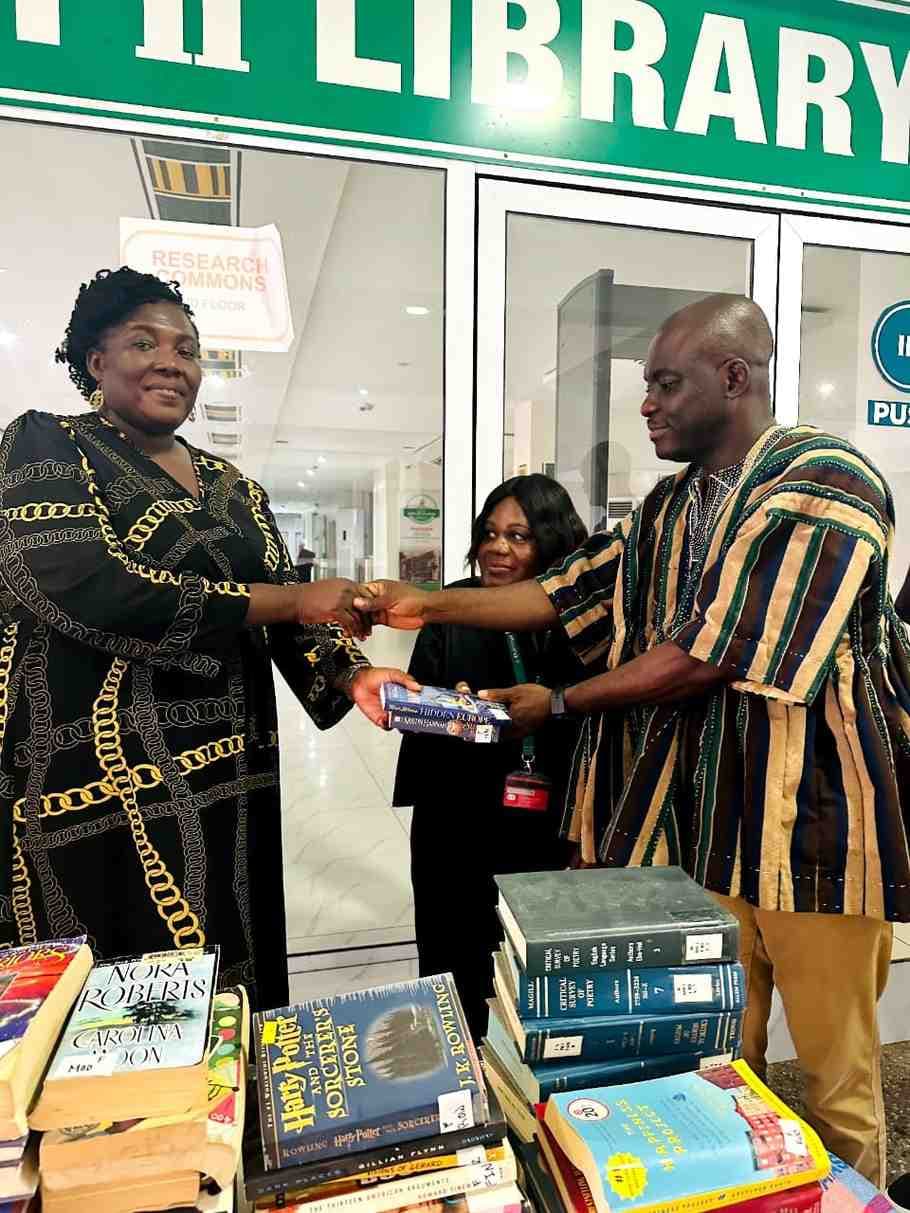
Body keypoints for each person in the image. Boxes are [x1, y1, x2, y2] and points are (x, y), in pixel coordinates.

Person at [359, 295, 910, 1187]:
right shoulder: (666, 507)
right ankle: (749, 1196)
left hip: (812, 834)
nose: (646, 403)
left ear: (735, 377)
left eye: (664, 382)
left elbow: (710, 654)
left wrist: (561, 701)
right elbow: (560, 590)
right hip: (702, 839)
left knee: (839, 1079)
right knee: (716, 1066)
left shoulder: (823, 480)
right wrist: (414, 600)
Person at [0, 267, 416, 1010]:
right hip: (90, 781)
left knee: (226, 964)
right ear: (96, 361)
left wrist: (356, 676)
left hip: (230, 776)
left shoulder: (236, 488)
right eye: (143, 342)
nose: (171, 360)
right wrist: (288, 596)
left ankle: (231, 1124)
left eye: (187, 349)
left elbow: (294, 619)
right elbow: (86, 585)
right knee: (111, 992)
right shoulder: (49, 445)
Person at [393, 475, 587, 1037]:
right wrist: (442, 709)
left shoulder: (575, 617)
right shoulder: (452, 604)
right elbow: (417, 703)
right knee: (450, 945)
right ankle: (458, 1061)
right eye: (491, 533)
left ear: (551, 544)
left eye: (520, 536)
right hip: (453, 809)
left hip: (541, 813)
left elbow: (590, 711)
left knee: (528, 954)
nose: (498, 548)